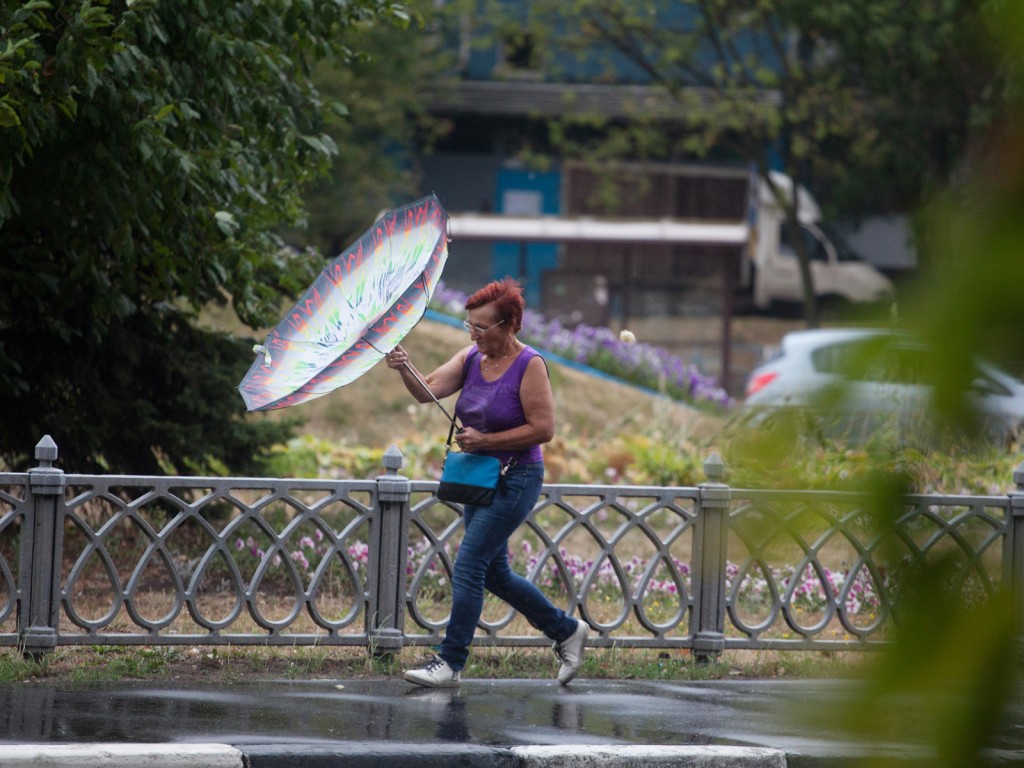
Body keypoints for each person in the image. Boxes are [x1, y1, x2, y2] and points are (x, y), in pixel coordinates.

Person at [385, 277, 589, 688]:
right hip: (479, 478)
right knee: (494, 573)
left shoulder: (529, 365)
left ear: (510, 324)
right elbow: (428, 393)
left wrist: (487, 440)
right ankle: (567, 631)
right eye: (470, 326)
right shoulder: (471, 358)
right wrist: (405, 367)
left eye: (482, 327)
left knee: (470, 563)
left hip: (517, 477)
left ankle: (450, 661)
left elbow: (544, 429)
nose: (474, 334)